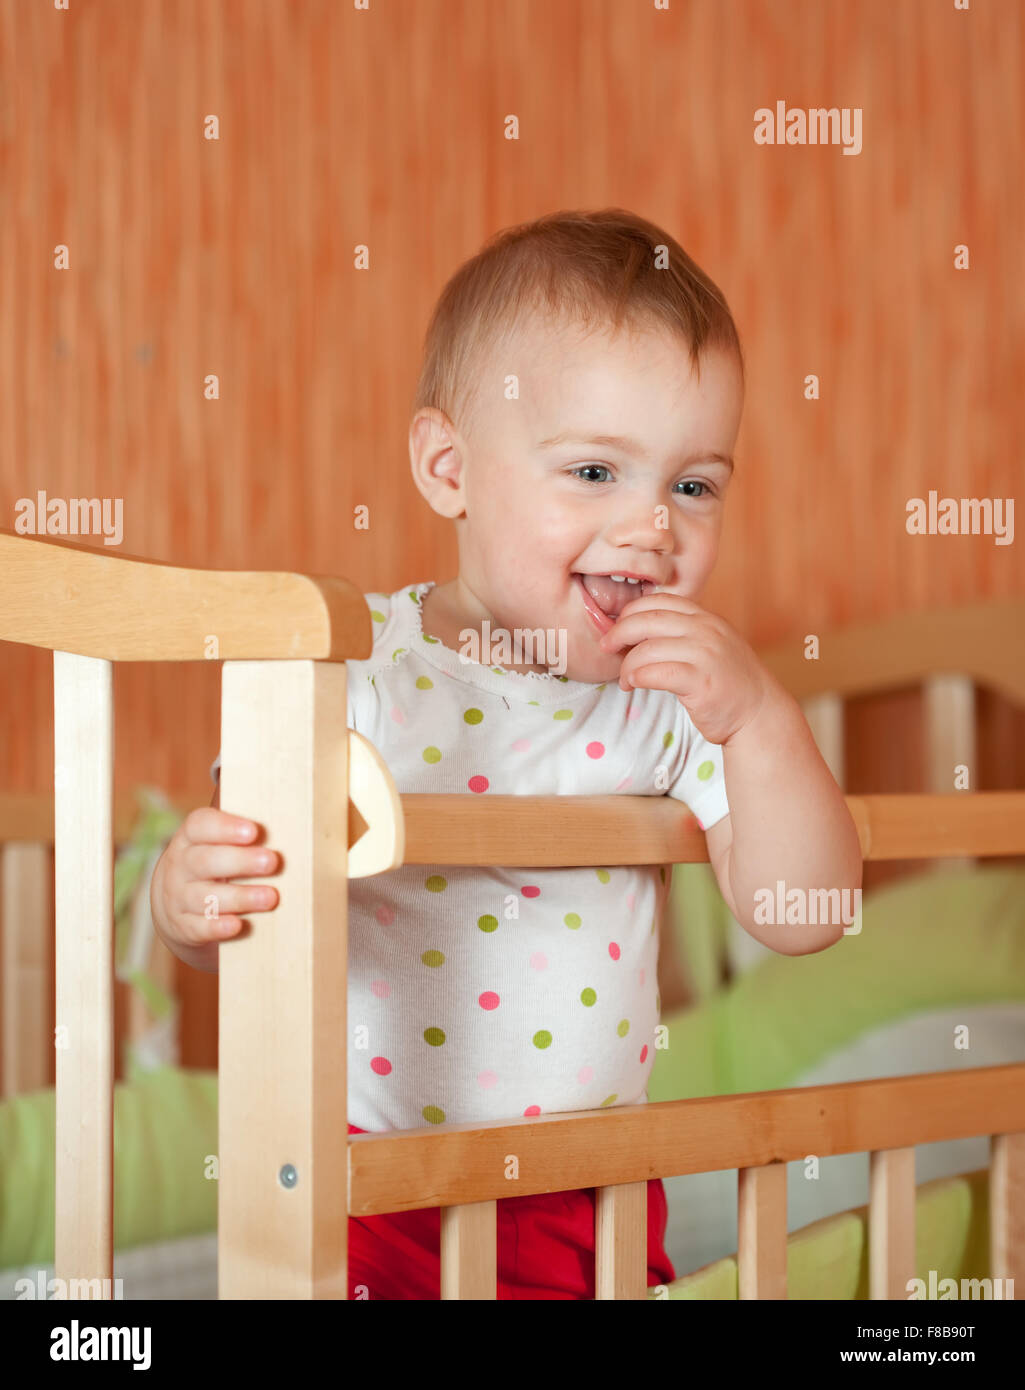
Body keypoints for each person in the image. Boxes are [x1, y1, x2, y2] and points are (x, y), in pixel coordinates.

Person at [151, 207, 862, 1298]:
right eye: (592, 473)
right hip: (374, 1181)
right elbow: (242, 908)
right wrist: (182, 900)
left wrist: (761, 719)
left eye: (692, 484)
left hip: (597, 1187)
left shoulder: (667, 702)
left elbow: (801, 912)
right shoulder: (360, 672)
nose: (652, 526)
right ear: (449, 471)